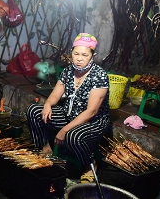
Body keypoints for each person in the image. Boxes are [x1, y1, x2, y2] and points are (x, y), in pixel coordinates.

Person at [26, 33, 110, 182]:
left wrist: (64, 130)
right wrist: (47, 105)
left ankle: (90, 164)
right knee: (33, 110)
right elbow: (55, 96)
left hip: (92, 122)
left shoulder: (99, 76)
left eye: (84, 55)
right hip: (68, 114)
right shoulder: (68, 71)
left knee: (73, 136)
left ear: (93, 56)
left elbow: (92, 111)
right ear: (71, 52)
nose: (79, 58)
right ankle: (45, 148)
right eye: (76, 53)